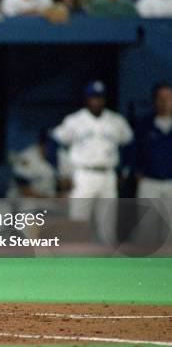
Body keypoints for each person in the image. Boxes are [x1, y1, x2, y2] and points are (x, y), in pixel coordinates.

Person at [52, 80, 133, 244]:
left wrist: (124, 171)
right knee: (78, 222)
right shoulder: (74, 120)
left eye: (100, 97)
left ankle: (107, 265)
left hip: (108, 175)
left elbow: (130, 145)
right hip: (83, 175)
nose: (96, 101)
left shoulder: (116, 121)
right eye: (93, 97)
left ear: (104, 99)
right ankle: (75, 261)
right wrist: (62, 173)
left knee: (107, 225)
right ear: (87, 99)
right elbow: (53, 144)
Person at [135, 83, 172, 198]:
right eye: (161, 98)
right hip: (149, 182)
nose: (165, 102)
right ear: (154, 100)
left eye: (168, 98)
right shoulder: (144, 124)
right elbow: (134, 150)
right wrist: (137, 173)